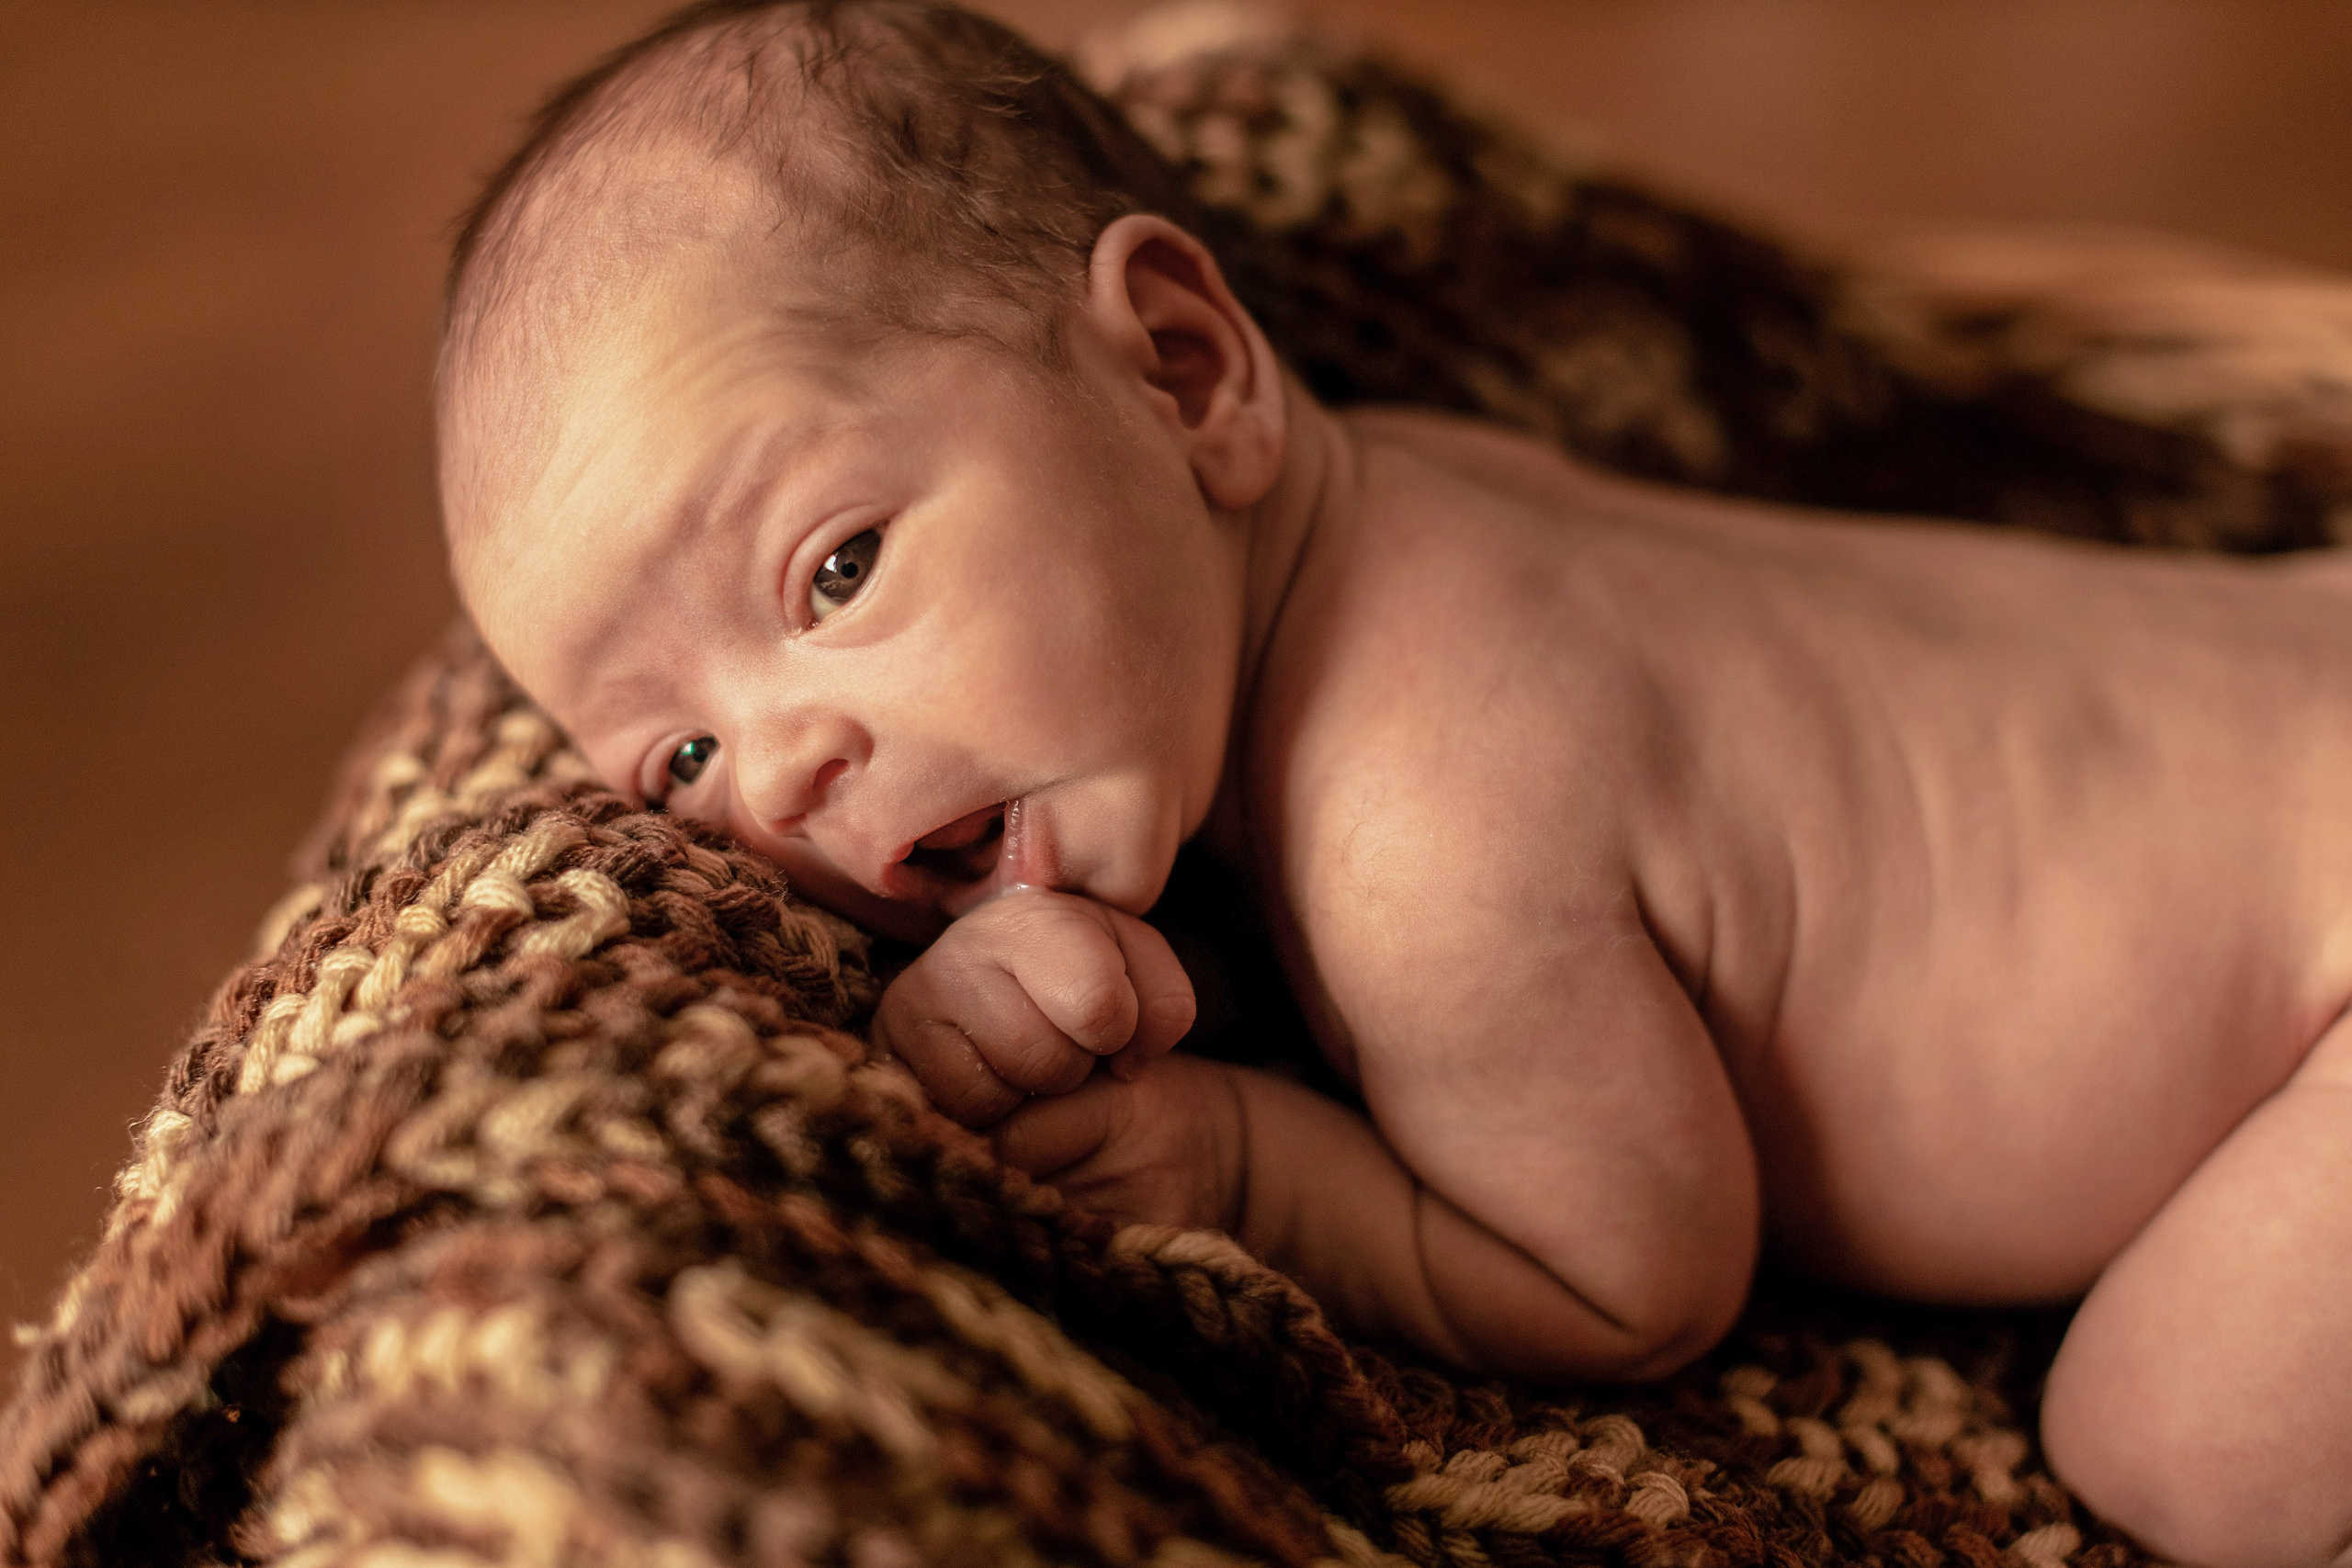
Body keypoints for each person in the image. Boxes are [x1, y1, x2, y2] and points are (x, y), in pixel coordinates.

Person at [435, 4, 2352, 1562]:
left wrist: (1240, 1158)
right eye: (673, 754)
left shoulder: (1420, 822)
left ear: (1184, 370)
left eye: (836, 568)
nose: (776, 769)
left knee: (2173, 1450)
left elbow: (1625, 1281)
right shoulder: (1412, 496)